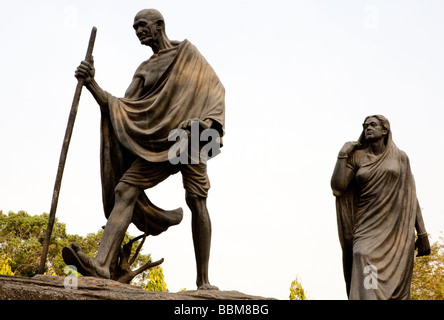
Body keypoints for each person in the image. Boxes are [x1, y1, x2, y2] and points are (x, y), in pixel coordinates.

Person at [62, 9, 224, 290]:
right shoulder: (144, 70)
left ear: (159, 25)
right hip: (159, 142)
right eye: (134, 27)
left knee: (197, 201)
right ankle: (101, 264)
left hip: (191, 138)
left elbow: (215, 91)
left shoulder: (188, 54)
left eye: (142, 25)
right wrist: (91, 83)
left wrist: (204, 123)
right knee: (125, 189)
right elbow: (119, 107)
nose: (138, 31)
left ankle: (203, 282)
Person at [331, 115, 430, 300]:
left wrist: (422, 233)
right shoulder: (357, 156)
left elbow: (410, 195)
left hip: (395, 231)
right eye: (365, 125)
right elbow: (338, 187)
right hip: (367, 226)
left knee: (396, 284)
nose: (368, 128)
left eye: (373, 125)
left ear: (384, 130)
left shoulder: (400, 158)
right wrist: (343, 153)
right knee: (362, 255)